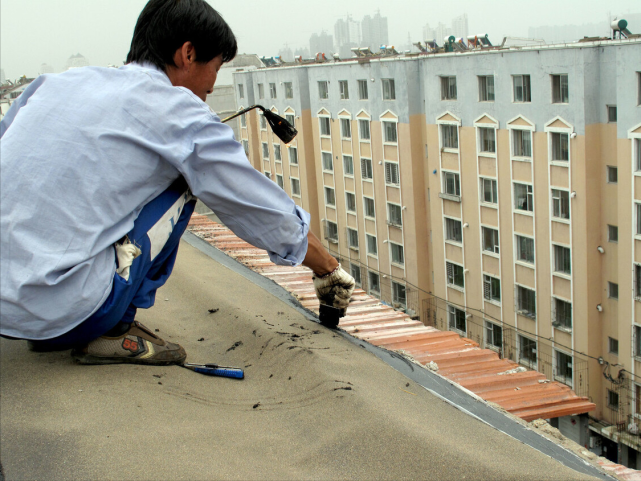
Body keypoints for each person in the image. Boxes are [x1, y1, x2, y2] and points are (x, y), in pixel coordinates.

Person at [0, 0, 354, 366]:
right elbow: (256, 206)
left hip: (4, 311)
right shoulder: (180, 112)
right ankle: (114, 330)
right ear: (188, 54)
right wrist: (327, 268)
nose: (212, 89)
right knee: (186, 180)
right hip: (65, 312)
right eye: (215, 68)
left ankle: (48, 319)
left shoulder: (54, 84)